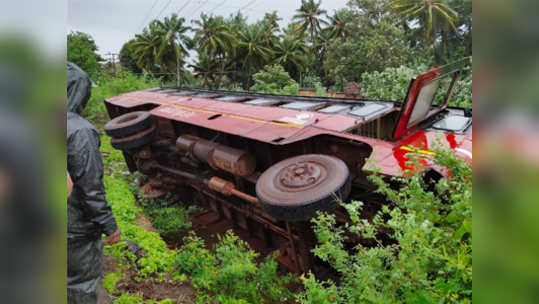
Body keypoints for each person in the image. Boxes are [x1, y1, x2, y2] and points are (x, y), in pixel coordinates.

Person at [67, 62, 121, 303]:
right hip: (74, 228)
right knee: (79, 284)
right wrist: (109, 224)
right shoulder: (79, 131)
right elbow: (90, 188)